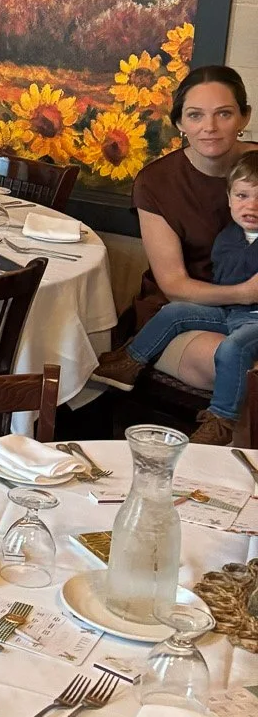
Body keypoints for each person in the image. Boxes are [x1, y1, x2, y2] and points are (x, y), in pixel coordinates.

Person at [93, 63, 258, 441]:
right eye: (195, 115)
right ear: (179, 122)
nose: (210, 128)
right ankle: (227, 464)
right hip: (179, 313)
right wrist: (246, 293)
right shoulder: (156, 183)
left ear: (243, 117)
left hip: (249, 312)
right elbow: (175, 285)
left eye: (224, 114)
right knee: (240, 364)